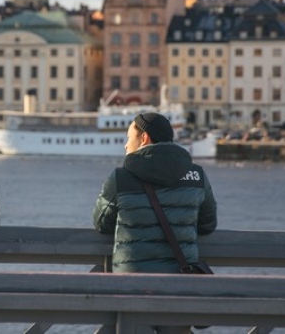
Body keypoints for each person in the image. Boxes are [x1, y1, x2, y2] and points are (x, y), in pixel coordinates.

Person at [92, 112, 217, 334]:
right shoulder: (197, 175)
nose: (125, 145)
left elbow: (101, 223)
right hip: (179, 286)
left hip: (131, 287)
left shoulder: (120, 177)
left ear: (144, 138)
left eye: (128, 137)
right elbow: (208, 224)